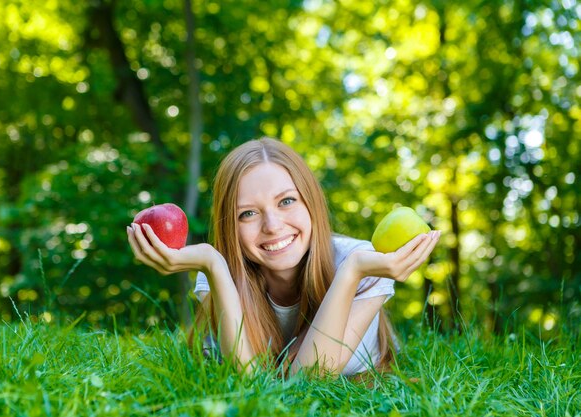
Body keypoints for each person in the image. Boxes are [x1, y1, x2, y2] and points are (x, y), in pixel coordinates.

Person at [127, 137, 440, 377]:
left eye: (286, 201)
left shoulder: (362, 261)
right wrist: (212, 262)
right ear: (230, 225)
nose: (272, 226)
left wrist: (352, 271)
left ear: (311, 202)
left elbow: (307, 379)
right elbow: (249, 382)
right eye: (247, 213)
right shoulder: (221, 270)